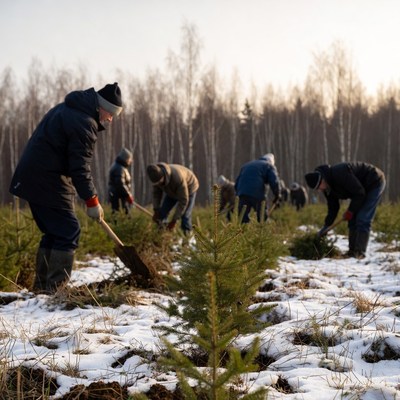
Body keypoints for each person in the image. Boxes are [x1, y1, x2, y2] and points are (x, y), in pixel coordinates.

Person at [9, 82, 123, 294]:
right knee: (69, 229)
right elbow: (79, 167)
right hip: (46, 178)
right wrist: (92, 200)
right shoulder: (84, 122)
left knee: (53, 232)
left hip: (33, 176)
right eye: (111, 114)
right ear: (102, 107)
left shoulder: (67, 110)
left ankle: (42, 289)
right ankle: (55, 290)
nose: (110, 120)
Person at [305, 161, 385, 258]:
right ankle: (352, 251)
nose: (319, 190)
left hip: (374, 182)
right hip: (360, 191)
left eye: (318, 187)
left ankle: (359, 253)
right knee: (352, 220)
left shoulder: (340, 173)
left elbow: (359, 193)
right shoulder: (327, 189)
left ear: (322, 180)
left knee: (363, 218)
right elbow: (333, 207)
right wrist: (326, 226)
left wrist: (350, 211)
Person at [146, 163, 199, 235]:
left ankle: (188, 237)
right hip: (171, 192)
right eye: (156, 183)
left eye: (160, 182)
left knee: (185, 216)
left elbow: (183, 200)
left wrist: (174, 220)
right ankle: (162, 235)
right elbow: (156, 195)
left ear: (163, 177)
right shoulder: (156, 180)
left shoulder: (177, 178)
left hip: (189, 189)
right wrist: (156, 210)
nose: (159, 185)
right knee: (161, 214)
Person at [234, 153, 281, 223]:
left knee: (242, 217)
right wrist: (277, 195)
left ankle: (243, 232)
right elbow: (274, 180)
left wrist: (239, 192)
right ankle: (262, 231)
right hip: (256, 192)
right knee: (262, 215)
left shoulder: (246, 165)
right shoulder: (269, 165)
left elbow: (237, 182)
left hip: (242, 192)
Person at [108, 148, 134, 214]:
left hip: (121, 197)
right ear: (125, 159)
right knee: (121, 214)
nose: (130, 161)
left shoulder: (120, 167)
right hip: (118, 198)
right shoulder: (119, 168)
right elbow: (120, 184)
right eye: (129, 159)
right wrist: (128, 195)